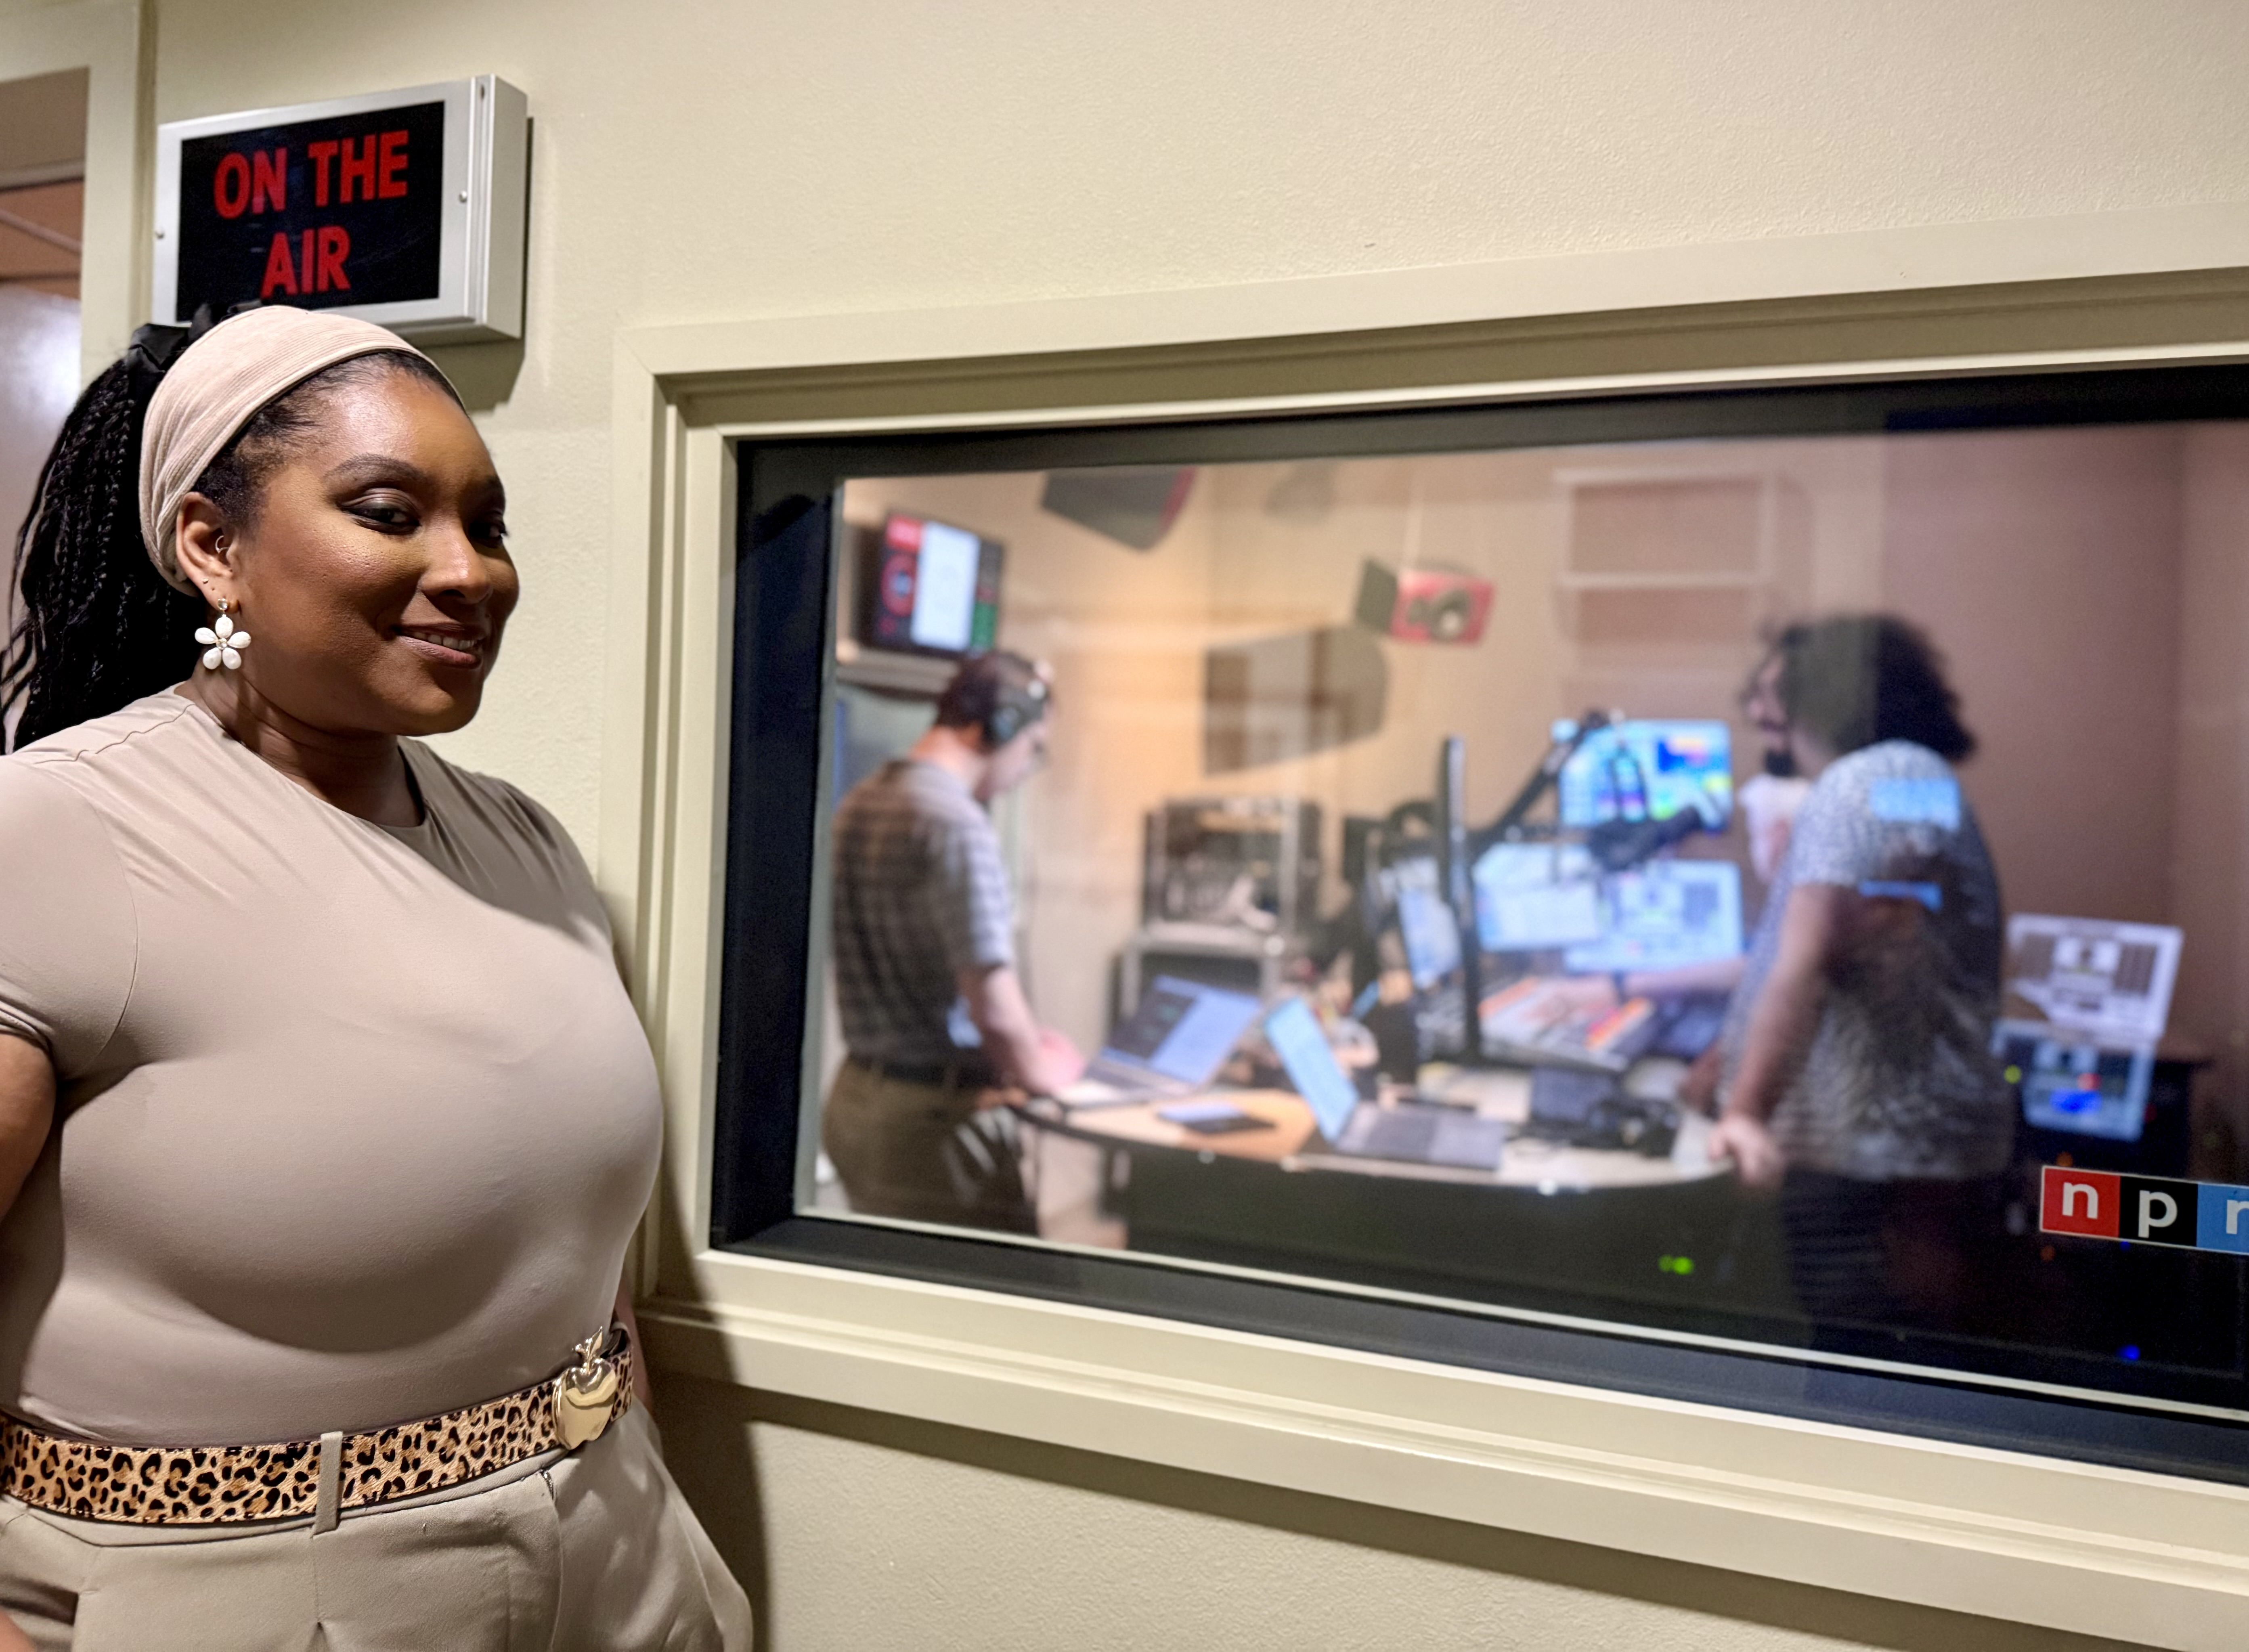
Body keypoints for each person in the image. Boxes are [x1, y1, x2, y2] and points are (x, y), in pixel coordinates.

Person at [0, 307, 750, 1649]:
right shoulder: (59, 832)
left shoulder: (526, 839)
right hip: (245, 1595)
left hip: (617, 1557)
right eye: (390, 512)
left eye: (490, 525)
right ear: (211, 546)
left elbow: (577, 1253)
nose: (469, 572)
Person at [1705, 614, 2013, 1328]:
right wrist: (1712, 1075)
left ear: (1829, 690)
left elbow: (1810, 960)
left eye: (1769, 687)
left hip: (1872, 1169)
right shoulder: (1912, 778)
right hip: (1911, 1158)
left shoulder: (1866, 781)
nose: (1755, 708)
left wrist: (1745, 1112)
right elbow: (1845, 955)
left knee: (1865, 1381)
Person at [822, 650, 1084, 1231]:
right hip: (931, 1129)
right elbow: (991, 1004)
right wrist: (1044, 1070)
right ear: (1000, 727)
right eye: (1034, 748)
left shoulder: (859, 802)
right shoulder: (956, 823)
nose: (1025, 768)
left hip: (860, 1101)